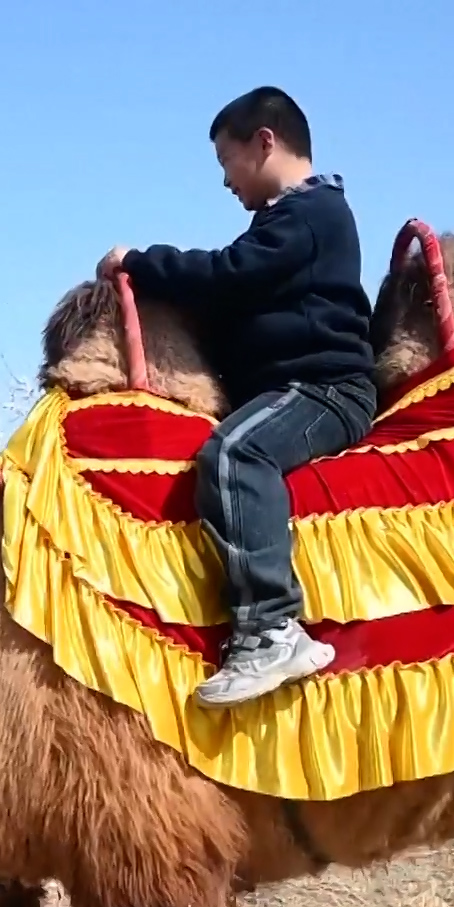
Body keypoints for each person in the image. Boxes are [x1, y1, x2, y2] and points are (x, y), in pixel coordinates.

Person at [97, 86, 378, 708]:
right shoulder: (284, 222)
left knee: (233, 455)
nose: (226, 181)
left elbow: (229, 274)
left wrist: (140, 262)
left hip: (325, 390)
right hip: (292, 386)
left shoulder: (313, 214)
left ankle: (272, 628)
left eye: (227, 161)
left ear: (264, 142)